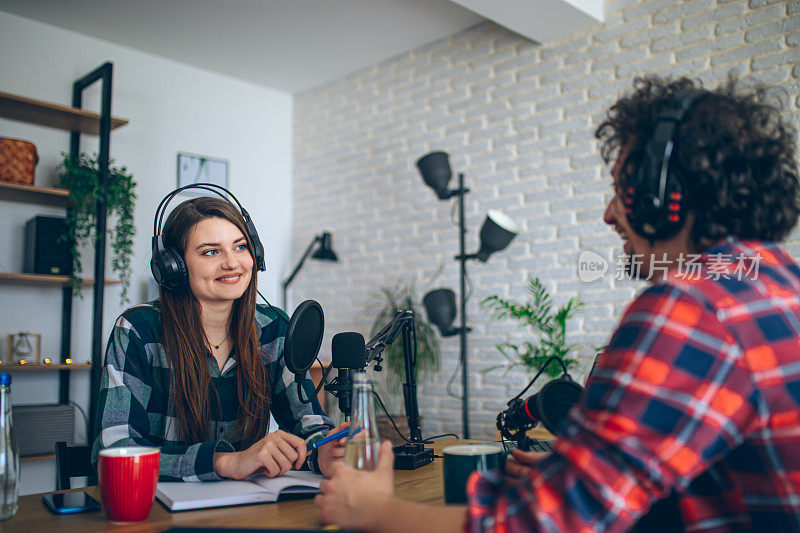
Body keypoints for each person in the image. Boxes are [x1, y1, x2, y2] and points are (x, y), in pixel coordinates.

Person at [314, 75, 800, 532]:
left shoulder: (693, 308)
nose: (609, 214)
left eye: (621, 190)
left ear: (663, 196)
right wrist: (584, 472)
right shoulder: (778, 282)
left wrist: (371, 509)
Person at [92, 195, 346, 481]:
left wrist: (322, 452)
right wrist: (227, 462)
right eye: (211, 252)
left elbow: (310, 427)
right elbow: (113, 452)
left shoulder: (275, 328)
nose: (232, 262)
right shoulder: (138, 330)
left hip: (247, 509)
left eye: (240, 247)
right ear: (173, 266)